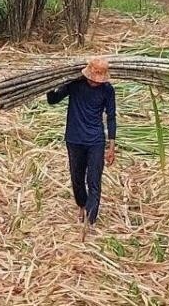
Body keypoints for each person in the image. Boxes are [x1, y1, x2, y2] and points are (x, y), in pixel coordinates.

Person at [47, 57, 117, 231]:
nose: (95, 82)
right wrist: (48, 84)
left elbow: (111, 116)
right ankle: (82, 205)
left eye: (99, 79)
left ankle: (90, 220)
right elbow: (53, 100)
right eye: (93, 78)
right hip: (74, 139)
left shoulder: (107, 90)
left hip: (95, 141)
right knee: (77, 179)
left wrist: (111, 146)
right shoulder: (74, 85)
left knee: (94, 180)